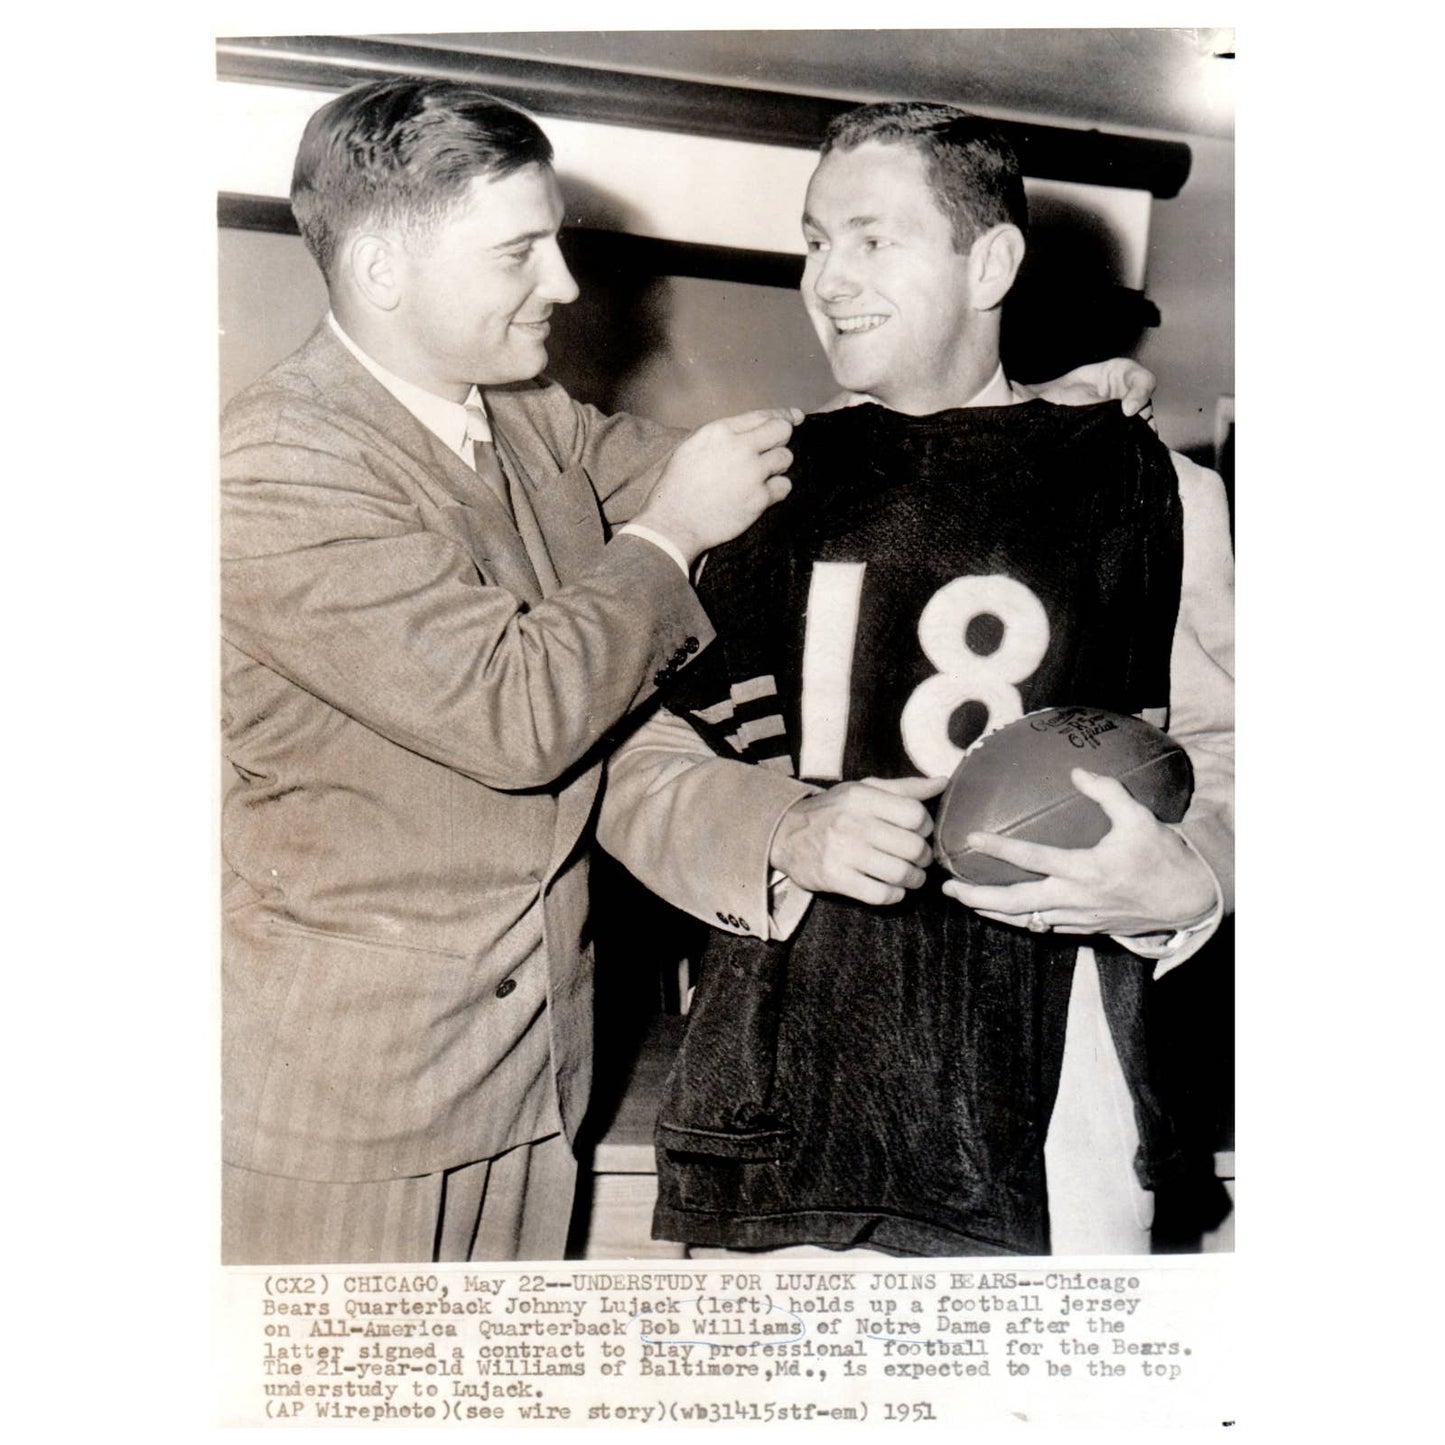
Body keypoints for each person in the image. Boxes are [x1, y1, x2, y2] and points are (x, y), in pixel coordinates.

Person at [221, 77, 1156, 1266]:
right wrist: (662, 538)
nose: (561, 283)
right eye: (519, 252)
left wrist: (1024, 426)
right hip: (347, 1099)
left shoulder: (521, 418)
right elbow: (517, 715)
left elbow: (779, 469)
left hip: (528, 1080)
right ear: (383, 270)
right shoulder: (276, 461)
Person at [598, 102, 1234, 1257]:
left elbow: (1234, 747)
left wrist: (1188, 875)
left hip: (1057, 1104)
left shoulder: (1152, 495)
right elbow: (632, 764)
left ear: (989, 260)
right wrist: (782, 826)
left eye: (871, 238)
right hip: (790, 1088)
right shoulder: (745, 491)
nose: (827, 277)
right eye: (813, 240)